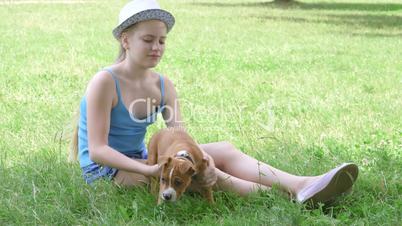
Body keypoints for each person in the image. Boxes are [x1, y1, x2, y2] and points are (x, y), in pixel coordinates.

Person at [70, 0, 358, 206]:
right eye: (148, 40)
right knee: (207, 176)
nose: (157, 47)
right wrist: (149, 170)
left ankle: (302, 183)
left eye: (162, 40)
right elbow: (97, 151)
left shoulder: (162, 85)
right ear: (126, 40)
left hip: (145, 157)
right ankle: (292, 197)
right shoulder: (105, 82)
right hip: (108, 170)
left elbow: (179, 136)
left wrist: (199, 159)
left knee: (219, 153)